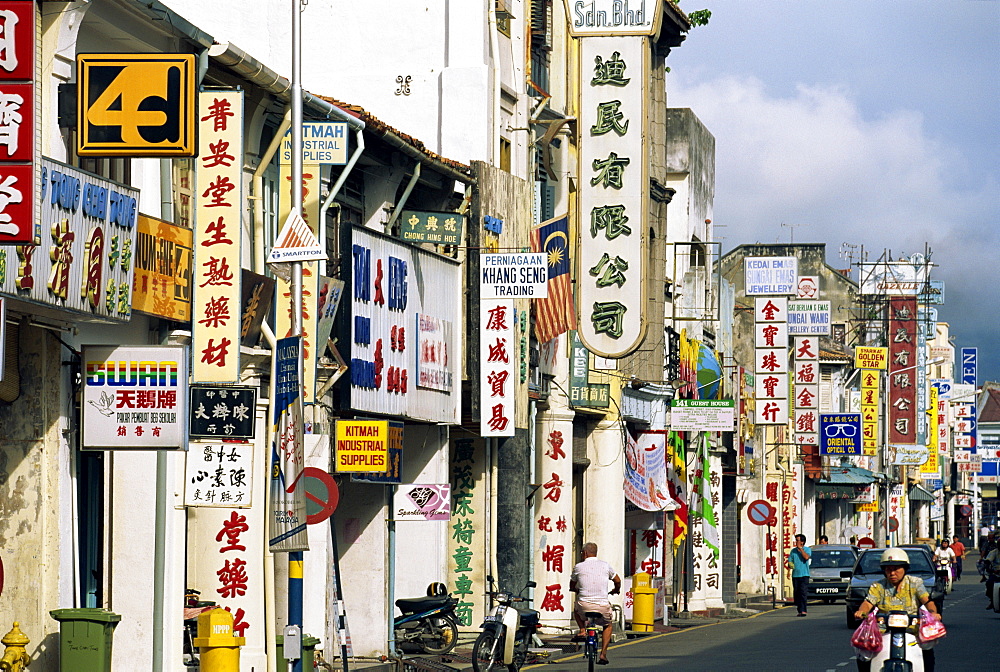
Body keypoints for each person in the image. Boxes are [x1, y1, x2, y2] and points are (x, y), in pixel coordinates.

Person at [853, 548, 941, 672]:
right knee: (863, 651)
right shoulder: (878, 586)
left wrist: (933, 613)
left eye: (896, 569)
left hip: (912, 630)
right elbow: (867, 603)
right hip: (883, 631)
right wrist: (862, 612)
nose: (892, 573)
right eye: (888, 569)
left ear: (905, 569)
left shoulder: (915, 583)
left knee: (927, 648)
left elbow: (927, 601)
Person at [569, 542, 621, 666]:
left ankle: (582, 630)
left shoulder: (578, 566)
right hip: (602, 606)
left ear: (585, 553)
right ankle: (603, 654)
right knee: (607, 625)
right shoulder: (605, 566)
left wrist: (575, 589)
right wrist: (616, 589)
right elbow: (617, 580)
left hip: (584, 605)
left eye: (582, 553)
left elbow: (572, 584)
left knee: (576, 610)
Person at [786, 534, 811, 616]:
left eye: (797, 540)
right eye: (796, 540)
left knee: (803, 592)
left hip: (804, 575)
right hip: (796, 575)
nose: (796, 542)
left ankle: (804, 610)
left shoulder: (807, 549)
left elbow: (806, 557)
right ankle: (799, 610)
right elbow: (790, 561)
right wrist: (789, 571)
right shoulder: (793, 551)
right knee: (797, 593)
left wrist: (801, 549)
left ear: (802, 542)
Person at [983, 543, 1000, 610]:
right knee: (989, 583)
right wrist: (989, 569)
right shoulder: (994, 552)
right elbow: (988, 561)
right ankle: (992, 600)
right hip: (996, 574)